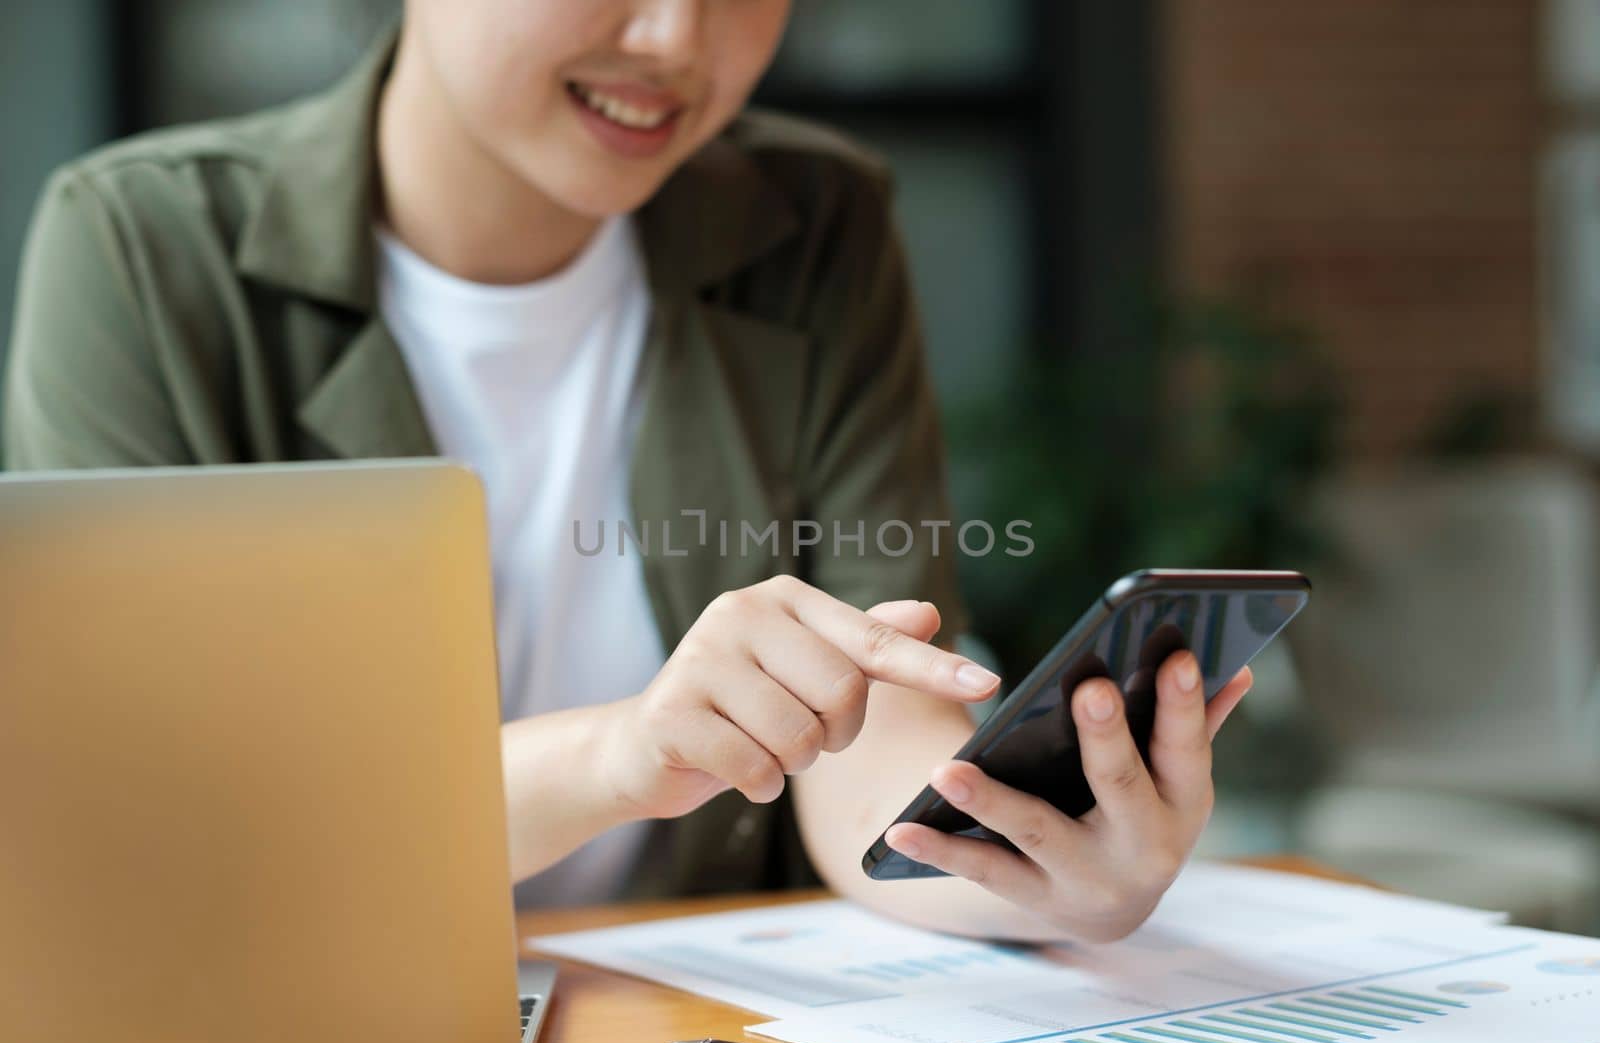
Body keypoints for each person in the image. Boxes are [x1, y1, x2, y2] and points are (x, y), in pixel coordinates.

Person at [3, 0, 1251, 943]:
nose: (677, 40)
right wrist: (617, 756)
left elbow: (872, 725)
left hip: (666, 1007)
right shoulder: (142, 252)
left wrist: (1026, 866)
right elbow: (172, 822)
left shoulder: (817, 225)